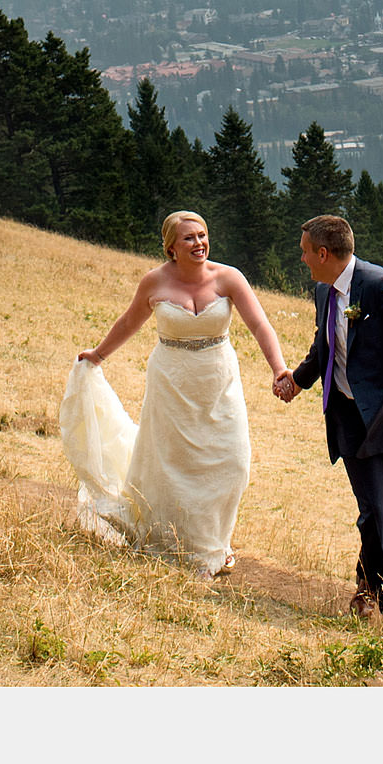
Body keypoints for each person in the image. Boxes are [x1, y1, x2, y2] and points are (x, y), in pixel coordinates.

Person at [60, 210, 290, 577]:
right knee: (170, 464)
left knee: (232, 463)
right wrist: (99, 355)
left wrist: (278, 368)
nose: (198, 243)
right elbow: (129, 321)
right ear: (171, 248)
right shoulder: (153, 282)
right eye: (189, 238)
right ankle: (175, 541)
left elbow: (260, 324)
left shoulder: (229, 278)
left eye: (202, 235)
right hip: (171, 385)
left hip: (219, 385)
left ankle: (216, 540)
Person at [273, 211, 383, 619]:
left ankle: (366, 585)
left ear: (324, 253)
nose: (303, 260)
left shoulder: (378, 286)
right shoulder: (324, 293)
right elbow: (324, 347)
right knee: (377, 512)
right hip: (350, 420)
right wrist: (298, 379)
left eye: (306, 253)